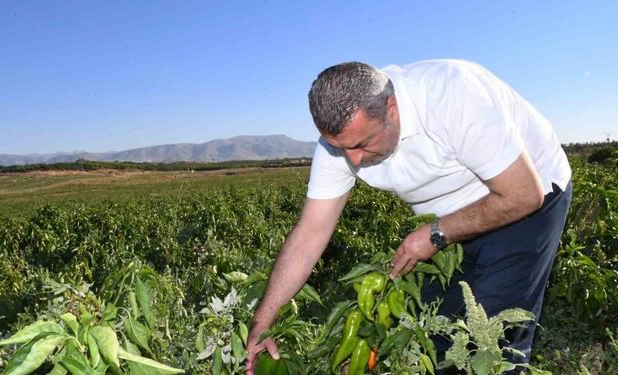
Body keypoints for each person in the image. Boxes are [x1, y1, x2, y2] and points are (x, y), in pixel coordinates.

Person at [245, 59, 572, 374]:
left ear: (392, 109)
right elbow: (310, 234)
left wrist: (436, 233)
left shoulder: (454, 96)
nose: (353, 160)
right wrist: (262, 321)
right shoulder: (341, 145)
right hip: (445, 217)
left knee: (490, 338)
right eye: (341, 148)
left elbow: (524, 195)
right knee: (433, 330)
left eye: (362, 144)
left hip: (527, 197)